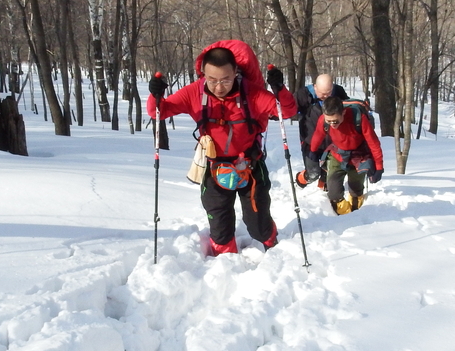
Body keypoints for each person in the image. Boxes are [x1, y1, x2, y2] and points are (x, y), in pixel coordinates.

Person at [147, 40, 297, 256]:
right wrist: (156, 95)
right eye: (212, 80)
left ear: (236, 72)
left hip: (250, 167)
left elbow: (286, 111)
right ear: (203, 74)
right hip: (214, 168)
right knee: (220, 226)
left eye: (226, 80)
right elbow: (159, 111)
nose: (219, 86)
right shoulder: (194, 93)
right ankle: (225, 263)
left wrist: (280, 89)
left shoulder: (252, 93)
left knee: (258, 223)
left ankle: (273, 248)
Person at [308, 96, 384, 215]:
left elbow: (374, 143)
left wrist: (379, 167)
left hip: (358, 156)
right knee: (333, 191)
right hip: (337, 155)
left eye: (336, 121)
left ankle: (355, 214)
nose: (332, 124)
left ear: (343, 112)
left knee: (356, 189)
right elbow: (318, 135)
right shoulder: (323, 120)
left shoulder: (359, 119)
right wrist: (313, 151)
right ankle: (343, 215)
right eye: (329, 121)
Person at [293, 74, 349, 189]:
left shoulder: (338, 92)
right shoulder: (303, 94)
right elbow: (289, 108)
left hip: (332, 141)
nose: (326, 96)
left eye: (329, 93)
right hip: (310, 140)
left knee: (329, 172)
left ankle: (323, 191)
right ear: (315, 87)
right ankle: (300, 181)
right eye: (323, 93)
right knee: (313, 173)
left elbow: (348, 109)